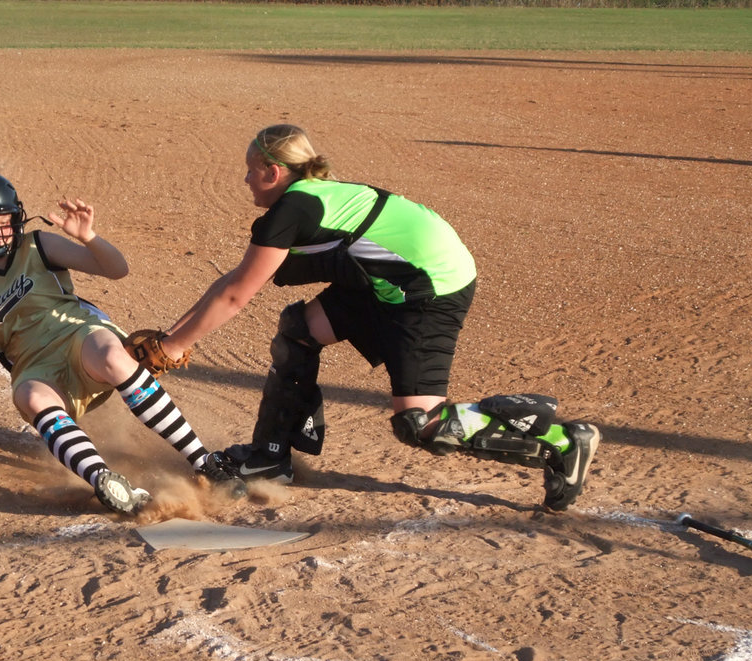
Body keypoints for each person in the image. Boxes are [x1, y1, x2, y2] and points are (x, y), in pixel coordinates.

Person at [155, 124, 599, 511]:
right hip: (385, 282)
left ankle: (560, 440)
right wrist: (169, 337)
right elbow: (232, 281)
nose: (246, 178)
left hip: (430, 288)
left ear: (274, 172)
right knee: (300, 331)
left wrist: (173, 346)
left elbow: (235, 295)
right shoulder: (310, 197)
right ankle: (270, 455)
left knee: (420, 425)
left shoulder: (294, 209)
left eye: (252, 170)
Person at [0, 172, 244, 514]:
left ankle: (205, 461)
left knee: (113, 357)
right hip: (36, 369)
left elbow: (117, 270)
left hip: (78, 335)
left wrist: (88, 237)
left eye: (3, 223)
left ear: (17, 219)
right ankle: (106, 481)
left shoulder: (38, 245)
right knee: (30, 397)